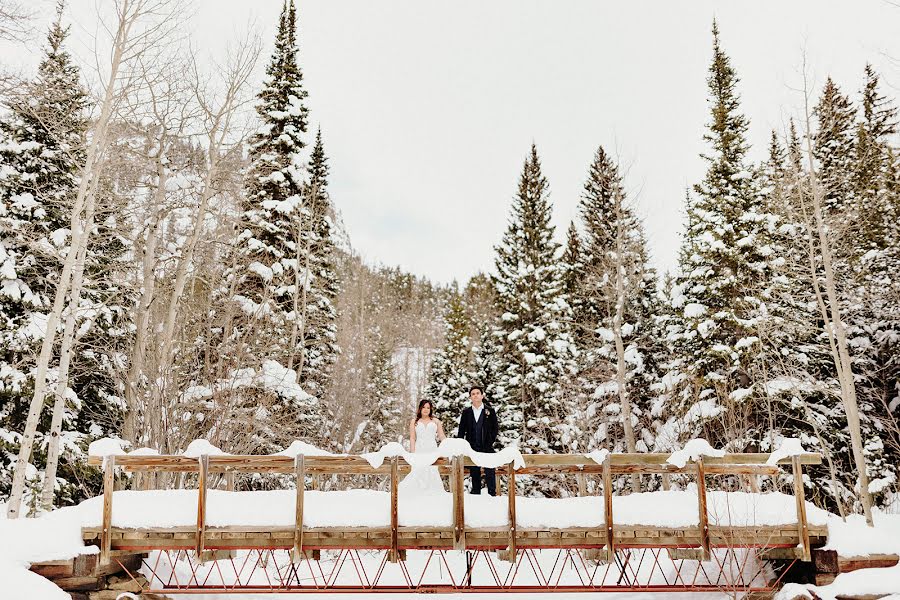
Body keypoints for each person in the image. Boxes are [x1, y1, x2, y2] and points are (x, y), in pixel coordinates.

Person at [457, 385, 499, 496]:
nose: (475, 395)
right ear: (470, 397)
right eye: (473, 394)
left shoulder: (489, 411)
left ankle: (492, 496)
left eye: (477, 393)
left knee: (490, 472)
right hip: (472, 448)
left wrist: (490, 441)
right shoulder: (466, 412)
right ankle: (476, 496)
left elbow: (495, 428)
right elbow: (461, 431)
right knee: (474, 473)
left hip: (487, 447)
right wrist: (462, 446)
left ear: (482, 395)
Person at [400, 399, 446, 495]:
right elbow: (412, 438)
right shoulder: (414, 421)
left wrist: (448, 446)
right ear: (420, 408)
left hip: (432, 450)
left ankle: (432, 495)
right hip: (419, 449)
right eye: (424, 407)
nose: (426, 409)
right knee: (418, 470)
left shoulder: (436, 421)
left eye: (428, 408)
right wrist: (413, 453)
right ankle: (416, 495)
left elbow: (442, 436)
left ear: (431, 409)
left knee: (432, 470)